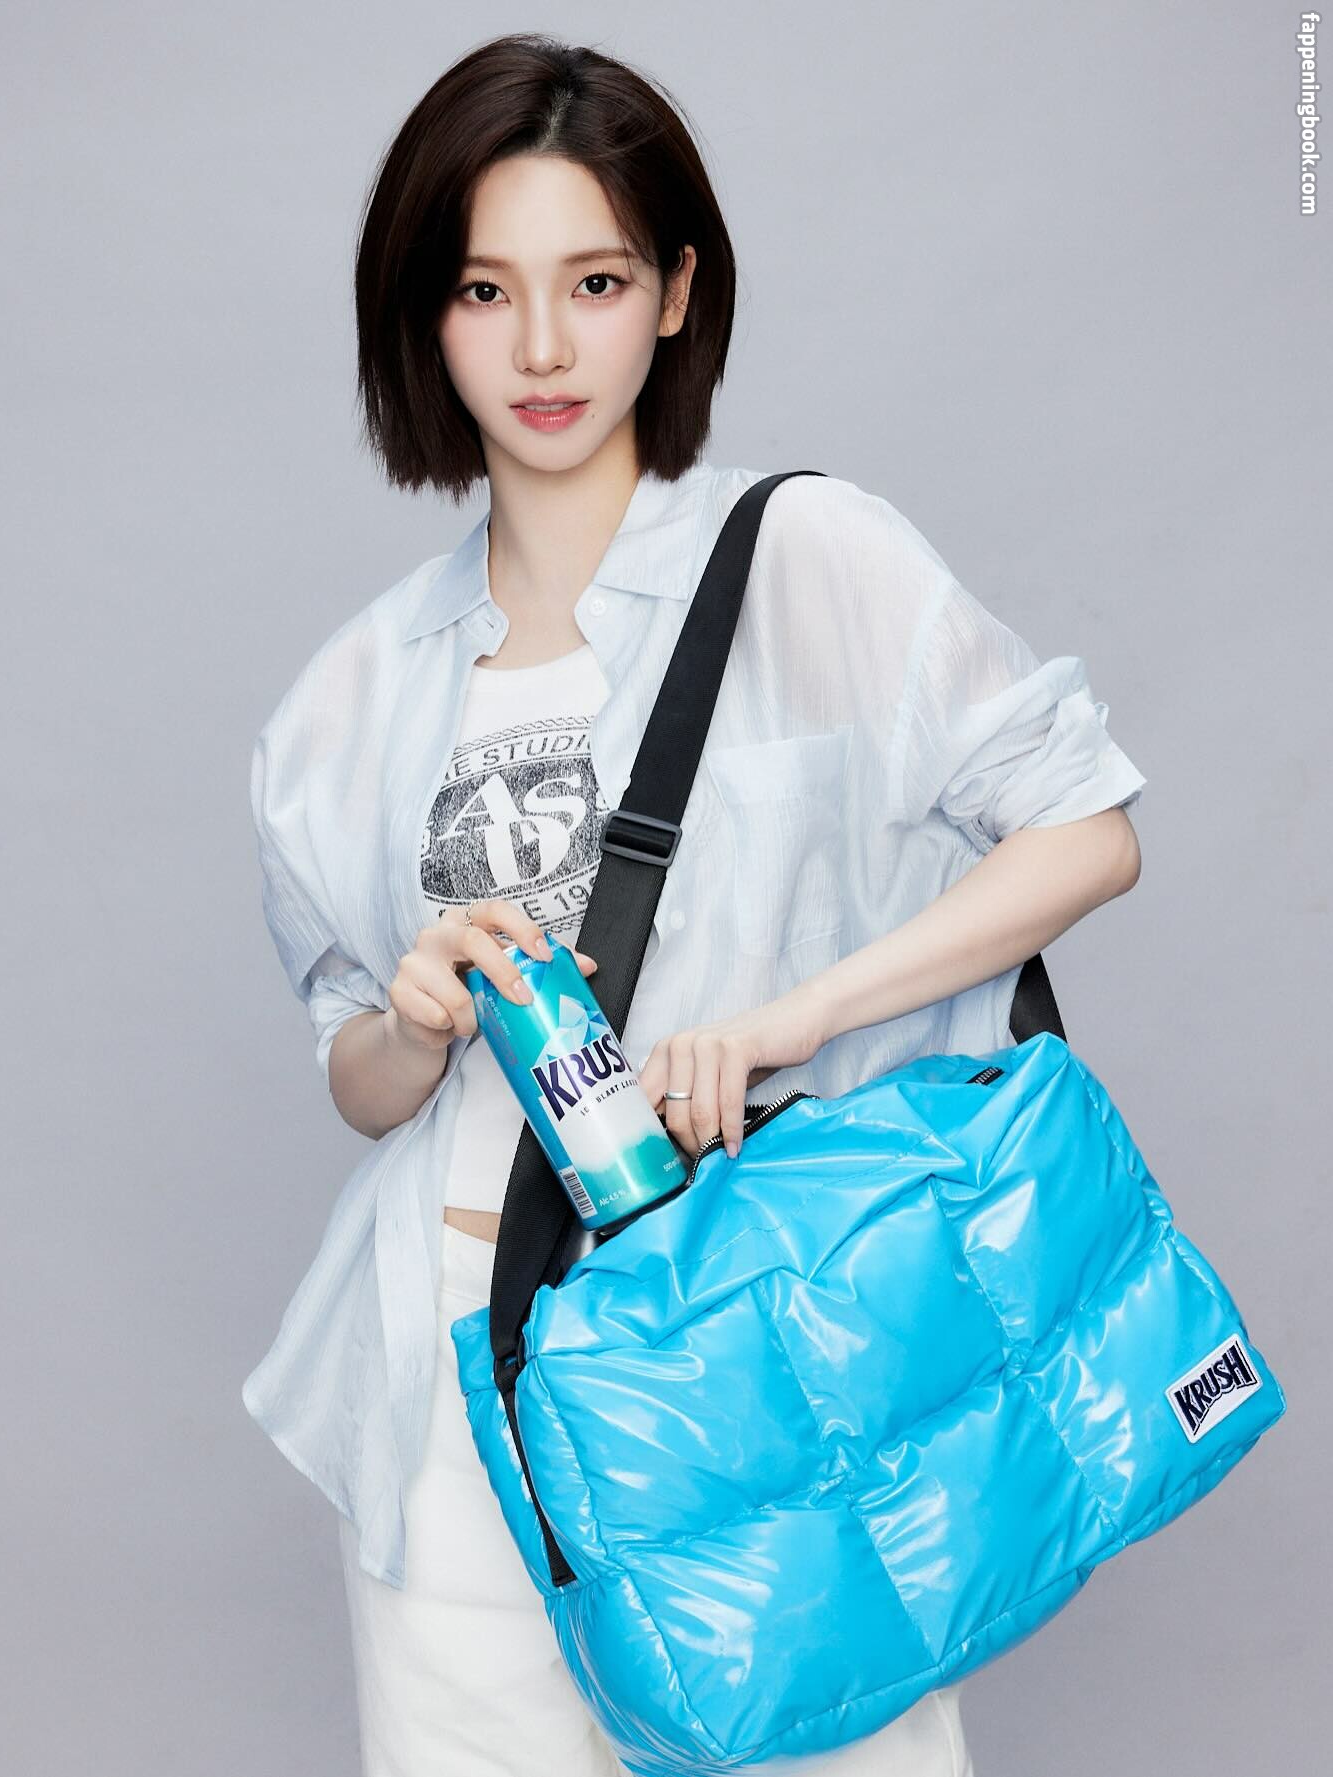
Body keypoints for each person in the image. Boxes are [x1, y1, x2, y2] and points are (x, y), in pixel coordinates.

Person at [242, 31, 1147, 1777]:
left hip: (760, 1333)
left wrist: (798, 1016)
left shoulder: (808, 559)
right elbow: (351, 1073)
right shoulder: (346, 699)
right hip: (460, 1367)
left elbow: (1084, 831)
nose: (541, 347)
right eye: (484, 290)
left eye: (592, 282)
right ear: (425, 318)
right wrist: (410, 1023)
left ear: (673, 293)